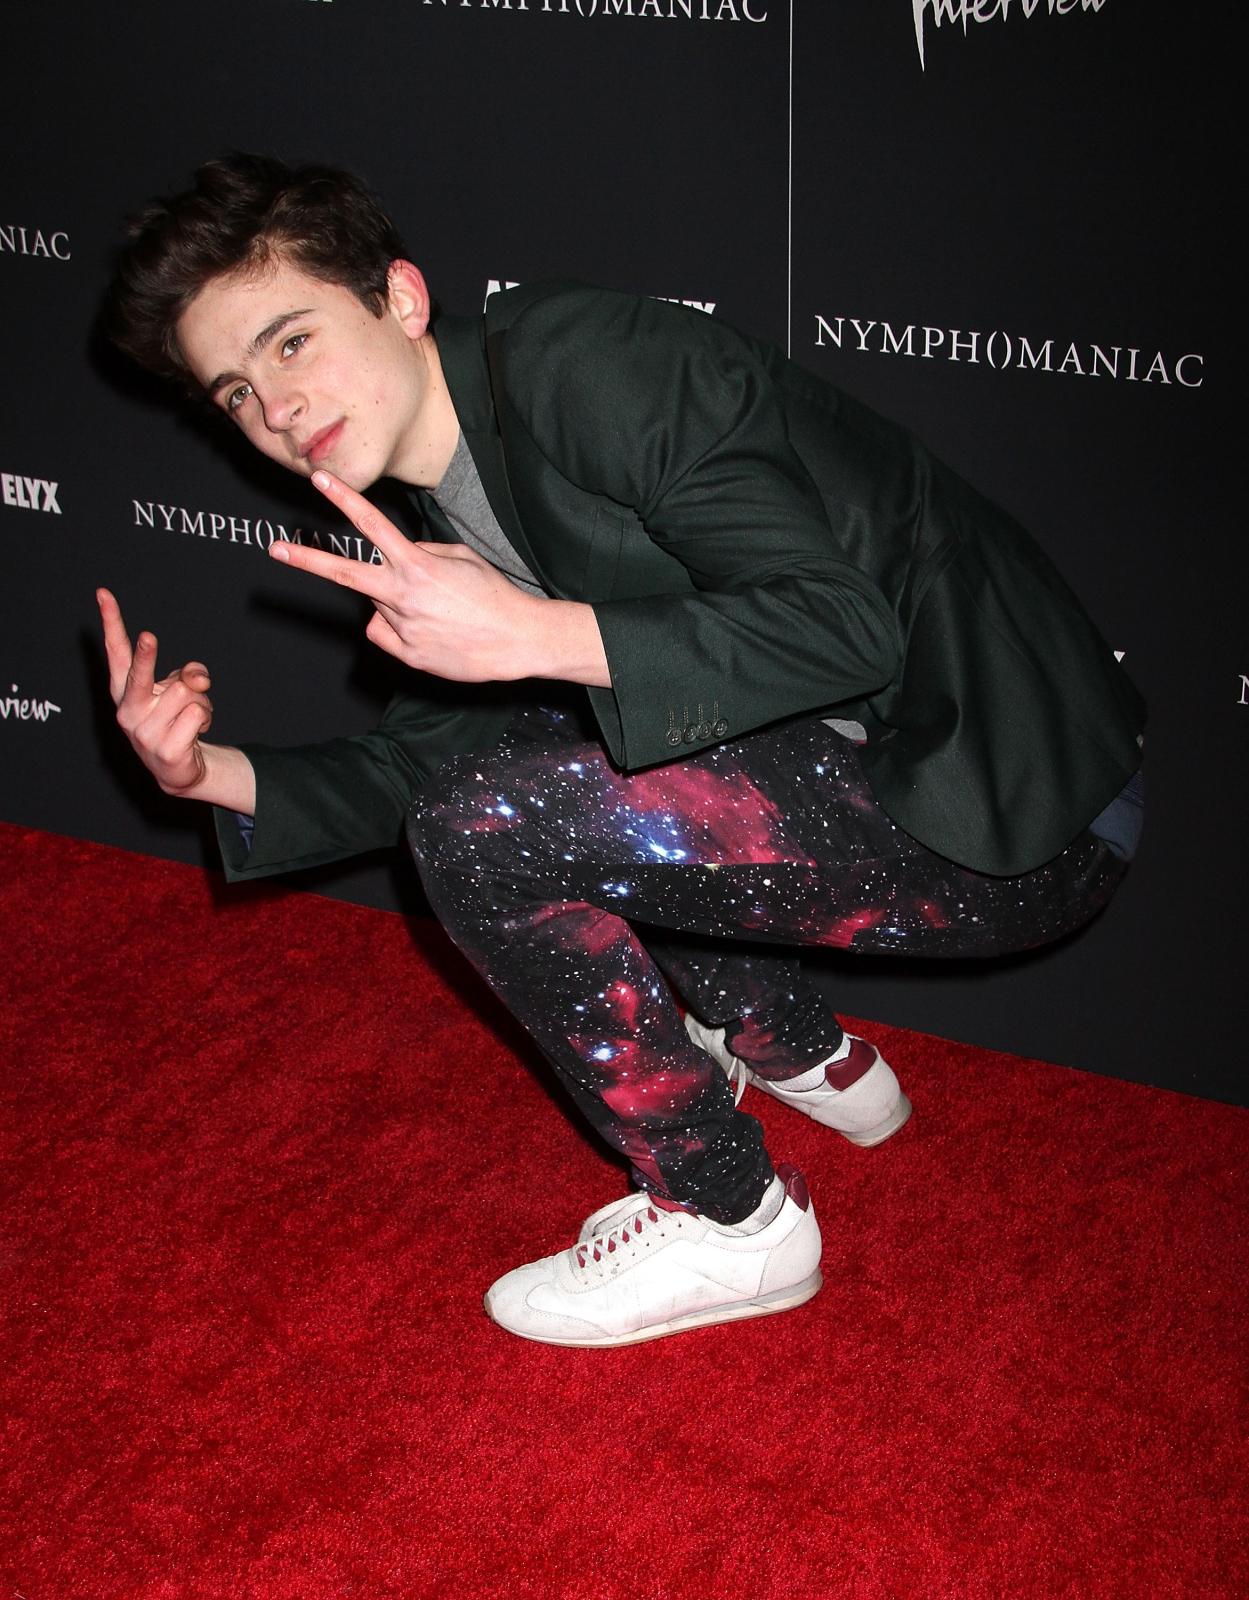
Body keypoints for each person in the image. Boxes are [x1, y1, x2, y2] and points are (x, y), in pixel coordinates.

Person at [99, 154, 1145, 1347]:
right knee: (549, 753)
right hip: (885, 776)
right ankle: (807, 1055)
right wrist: (201, 773)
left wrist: (536, 633)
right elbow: (419, 763)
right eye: (237, 391)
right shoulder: (438, 503)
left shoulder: (587, 366)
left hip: (1013, 804)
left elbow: (844, 629)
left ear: (400, 296)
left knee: (501, 816)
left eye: (292, 342)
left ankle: (730, 1217)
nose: (278, 410)